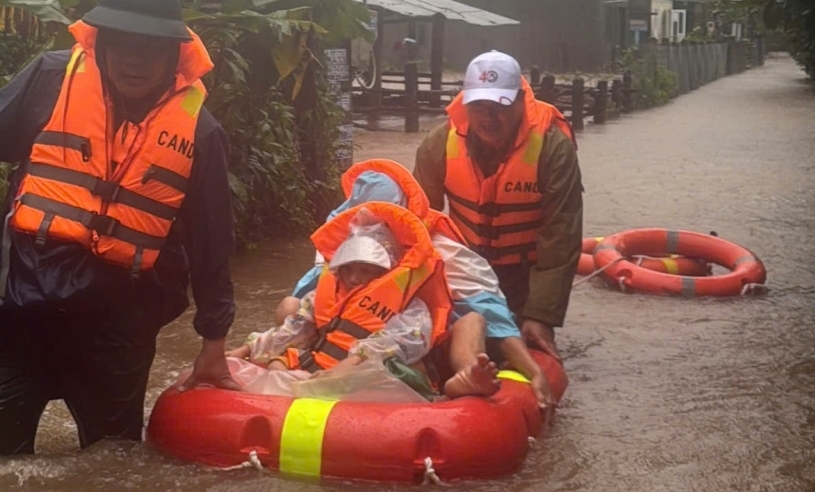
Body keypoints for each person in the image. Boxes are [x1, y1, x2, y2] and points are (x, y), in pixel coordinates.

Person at [0, 0, 240, 455]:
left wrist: (214, 340)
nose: (134, 60)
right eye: (123, 44)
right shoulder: (49, 80)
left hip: (118, 325)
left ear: (174, 54)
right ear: (101, 42)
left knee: (113, 464)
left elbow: (212, 240)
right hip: (19, 310)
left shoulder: (199, 131)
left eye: (150, 48)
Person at [268, 159, 553, 406]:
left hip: (412, 345)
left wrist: (533, 370)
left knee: (472, 320)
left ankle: (467, 375)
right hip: (339, 346)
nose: (368, 232)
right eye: (362, 221)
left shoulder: (441, 249)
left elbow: (490, 311)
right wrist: (263, 348)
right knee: (291, 305)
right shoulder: (344, 244)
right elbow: (308, 306)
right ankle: (306, 372)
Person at [229, 202, 502, 399]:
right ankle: (298, 394)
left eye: (365, 270)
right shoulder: (323, 296)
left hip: (369, 370)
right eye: (348, 268)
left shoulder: (410, 305)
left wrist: (352, 363)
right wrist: (245, 350)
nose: (354, 278)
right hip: (323, 367)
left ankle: (458, 386)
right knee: (278, 362)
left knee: (394, 369)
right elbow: (293, 330)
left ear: (386, 271)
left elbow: (400, 342)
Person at [413, 50, 583, 364]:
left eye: (500, 107)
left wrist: (541, 315)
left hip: (523, 277)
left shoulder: (553, 148)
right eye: (479, 107)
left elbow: (561, 237)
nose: (488, 119)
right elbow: (418, 225)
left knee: (512, 348)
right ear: (465, 103)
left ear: (520, 102)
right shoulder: (438, 144)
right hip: (464, 269)